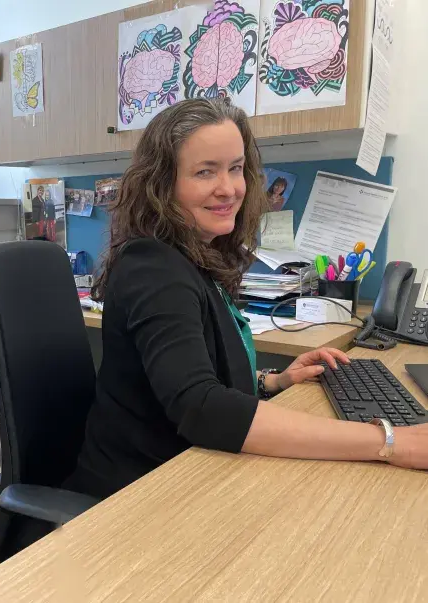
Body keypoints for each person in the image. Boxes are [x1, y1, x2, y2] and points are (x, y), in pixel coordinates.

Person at [65, 98, 428, 501]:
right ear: (162, 184)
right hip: (135, 496)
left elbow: (189, 370)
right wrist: (388, 441)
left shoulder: (194, 255)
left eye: (235, 168)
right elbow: (201, 406)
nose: (229, 189)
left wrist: (273, 381)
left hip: (191, 471)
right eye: (205, 172)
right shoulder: (154, 269)